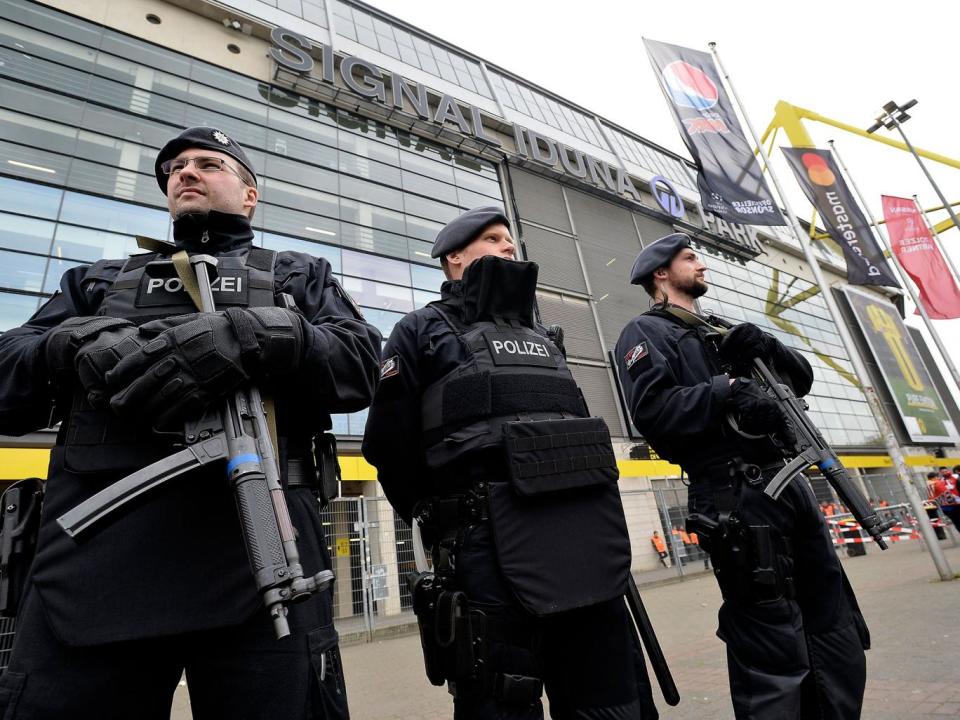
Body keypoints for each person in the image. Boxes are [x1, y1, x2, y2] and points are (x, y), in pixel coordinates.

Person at [0, 127, 382, 718]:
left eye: (209, 164)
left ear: (250, 194)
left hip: (264, 553)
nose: (186, 172)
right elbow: (7, 375)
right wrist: (68, 344)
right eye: (176, 167)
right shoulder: (98, 282)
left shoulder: (295, 274)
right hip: (94, 563)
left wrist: (253, 334)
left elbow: (360, 365)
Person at [362, 207, 657, 719]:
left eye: (510, 239)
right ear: (454, 257)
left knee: (612, 702)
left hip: (582, 539)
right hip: (485, 545)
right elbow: (388, 446)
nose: (508, 247)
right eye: (493, 239)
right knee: (500, 700)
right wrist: (447, 515)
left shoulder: (547, 337)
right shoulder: (420, 329)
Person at [614, 233, 870, 719]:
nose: (702, 264)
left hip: (787, 482)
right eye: (691, 258)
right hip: (734, 492)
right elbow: (652, 410)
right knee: (770, 642)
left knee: (832, 624)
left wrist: (769, 345)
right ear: (661, 273)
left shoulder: (723, 327)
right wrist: (726, 390)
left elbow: (800, 381)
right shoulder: (646, 333)